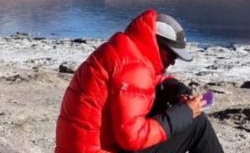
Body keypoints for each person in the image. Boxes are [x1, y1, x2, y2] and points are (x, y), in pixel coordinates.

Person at [55, 9, 224, 153]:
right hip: (101, 149)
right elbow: (132, 138)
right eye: (172, 55)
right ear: (157, 44)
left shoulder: (124, 50)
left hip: (83, 147)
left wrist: (178, 91)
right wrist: (185, 113)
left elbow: (154, 81)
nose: (173, 62)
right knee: (196, 124)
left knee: (167, 108)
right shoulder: (135, 68)